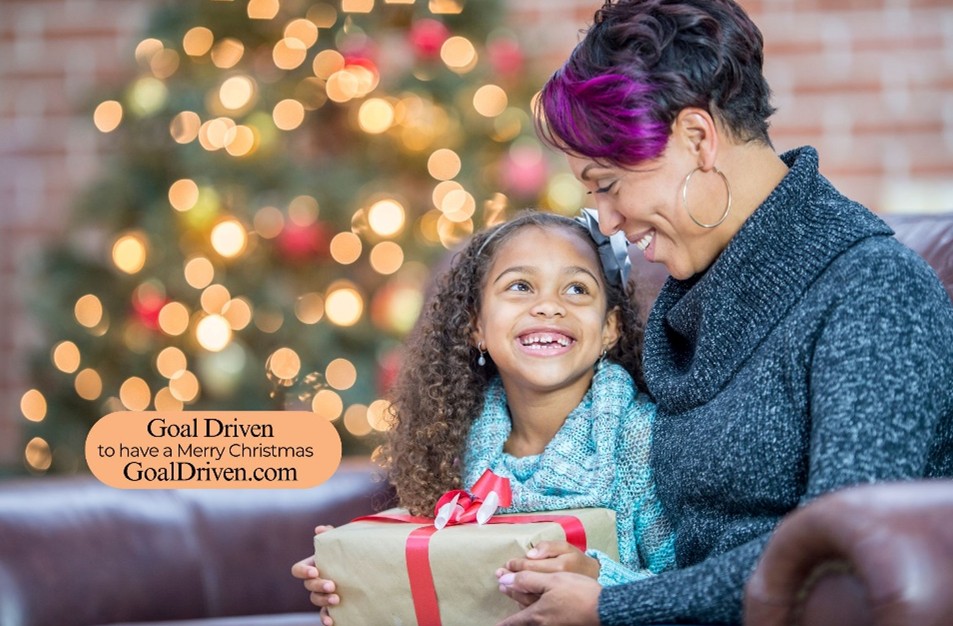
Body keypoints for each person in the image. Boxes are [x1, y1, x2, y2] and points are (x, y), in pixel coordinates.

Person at [493, 1, 953, 625]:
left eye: (607, 183)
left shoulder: (874, 294)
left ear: (696, 139)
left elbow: (833, 553)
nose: (605, 222)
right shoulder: (689, 299)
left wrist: (617, 607)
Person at [292, 210, 676, 625]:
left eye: (577, 289)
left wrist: (603, 586)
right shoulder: (450, 444)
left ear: (609, 328)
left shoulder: (643, 440)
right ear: (476, 325)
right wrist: (359, 580)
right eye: (521, 286)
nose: (549, 306)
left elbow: (693, 593)